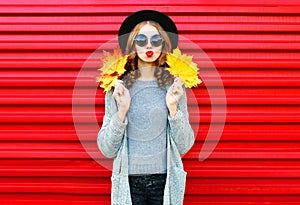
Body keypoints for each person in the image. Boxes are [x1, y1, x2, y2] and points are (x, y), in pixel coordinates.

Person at [97, 10, 195, 205]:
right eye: (141, 40)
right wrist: (121, 111)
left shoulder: (175, 86)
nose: (148, 45)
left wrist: (173, 108)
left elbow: (185, 145)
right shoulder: (116, 87)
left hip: (165, 182)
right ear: (132, 44)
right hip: (129, 182)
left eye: (155, 40)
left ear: (163, 45)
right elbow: (106, 149)